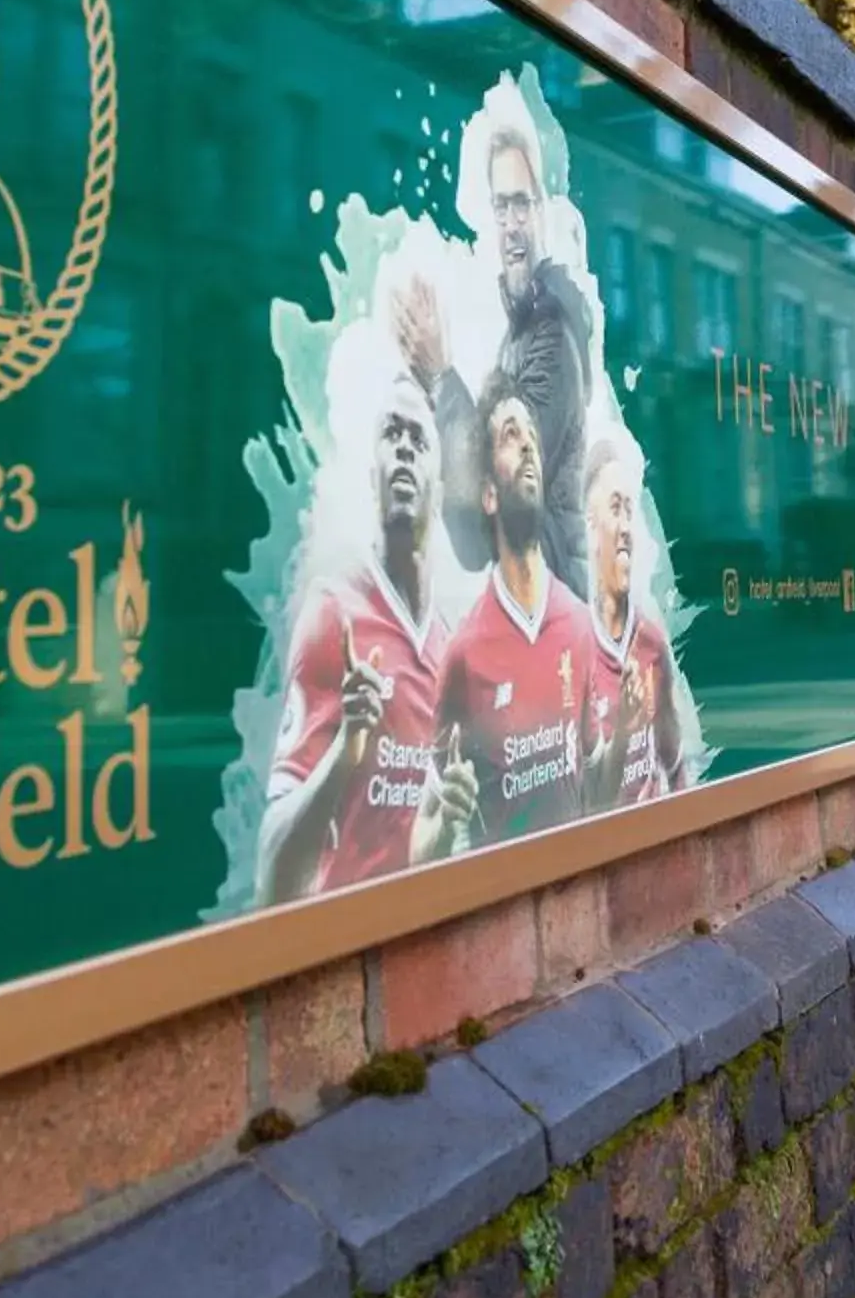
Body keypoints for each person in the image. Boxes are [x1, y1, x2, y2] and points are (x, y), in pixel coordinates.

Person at [254, 372, 451, 904]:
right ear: (373, 474)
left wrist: (447, 823)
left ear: (442, 480)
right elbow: (271, 878)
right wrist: (344, 753)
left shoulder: (446, 646)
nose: (405, 450)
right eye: (392, 434)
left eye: (418, 439)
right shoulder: (333, 611)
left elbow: (421, 852)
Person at [393, 113, 596, 599]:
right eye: (500, 208)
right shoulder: (519, 336)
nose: (511, 227)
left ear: (543, 211)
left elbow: (506, 495)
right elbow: (473, 529)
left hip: (552, 612)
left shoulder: (552, 331)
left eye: (521, 206)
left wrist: (440, 375)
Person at [423, 378, 606, 855]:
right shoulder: (463, 652)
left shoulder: (579, 622)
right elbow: (427, 835)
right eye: (510, 435)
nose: (527, 445)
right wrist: (445, 818)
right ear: (488, 496)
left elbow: (595, 777)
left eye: (531, 436)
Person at [581, 436, 685, 808]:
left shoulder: (652, 643)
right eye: (615, 508)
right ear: (590, 526)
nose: (625, 525)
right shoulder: (574, 650)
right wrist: (624, 731)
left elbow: (675, 764)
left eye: (630, 510)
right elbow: (592, 801)